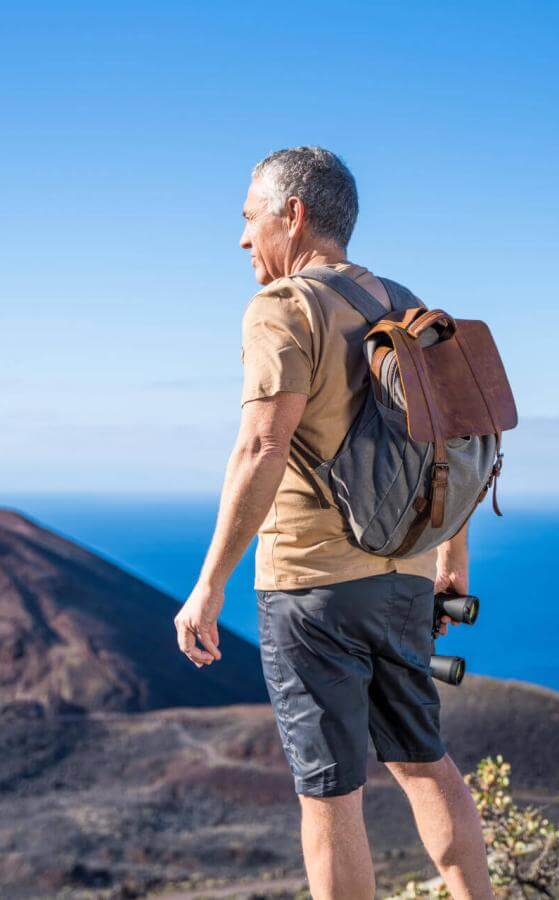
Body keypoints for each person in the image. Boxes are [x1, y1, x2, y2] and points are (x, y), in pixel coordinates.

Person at [173, 146, 495, 900]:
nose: (243, 239)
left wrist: (209, 585)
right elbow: (449, 451)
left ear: (294, 214)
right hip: (406, 579)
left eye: (250, 218)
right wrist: (451, 562)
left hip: (313, 588)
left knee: (329, 790)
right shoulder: (407, 304)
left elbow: (261, 445)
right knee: (424, 761)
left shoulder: (283, 307)